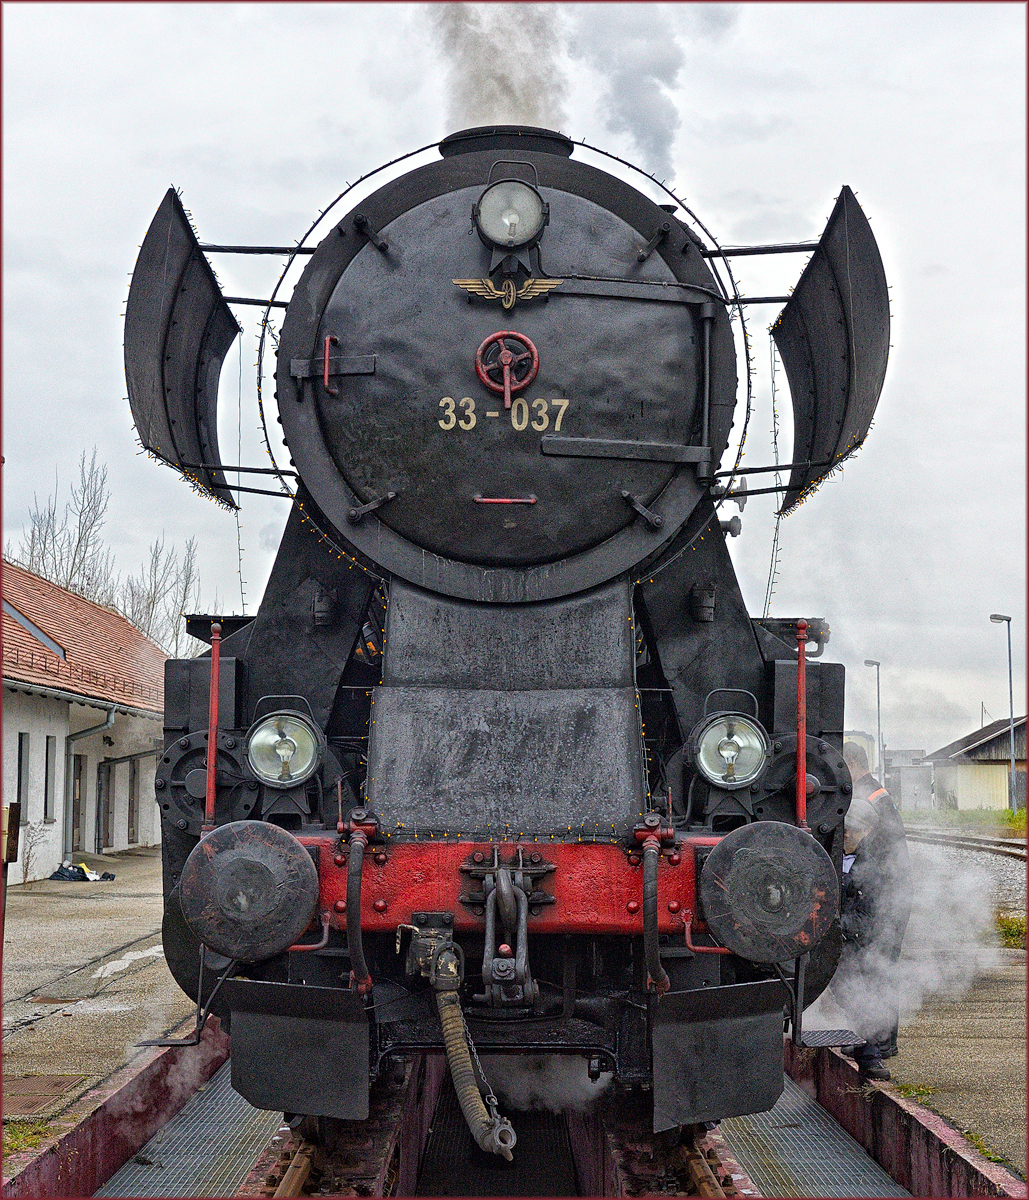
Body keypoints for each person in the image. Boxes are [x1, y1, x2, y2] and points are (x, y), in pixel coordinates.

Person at [832, 743, 912, 1079]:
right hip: (870, 894)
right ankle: (866, 1039)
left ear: (853, 763)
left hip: (883, 896)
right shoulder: (869, 794)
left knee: (878, 969)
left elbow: (887, 854)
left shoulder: (877, 799)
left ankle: (880, 1043)